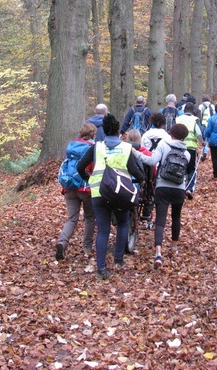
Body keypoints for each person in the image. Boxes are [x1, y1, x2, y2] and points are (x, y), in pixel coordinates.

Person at [77, 114, 145, 280]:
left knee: (103, 230)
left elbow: (80, 167)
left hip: (99, 192)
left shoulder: (96, 147)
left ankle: (101, 268)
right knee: (122, 223)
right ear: (117, 131)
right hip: (120, 192)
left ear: (103, 131)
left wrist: (89, 178)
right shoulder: (126, 148)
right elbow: (137, 172)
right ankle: (118, 260)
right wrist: (141, 179)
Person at [132, 123, 190, 269]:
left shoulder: (163, 146)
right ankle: (174, 247)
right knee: (176, 217)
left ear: (171, 134)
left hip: (163, 187)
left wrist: (135, 152)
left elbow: (151, 161)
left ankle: (158, 252)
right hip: (179, 188)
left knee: (160, 220)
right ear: (184, 137)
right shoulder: (187, 153)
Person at [55, 123, 97, 261]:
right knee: (89, 217)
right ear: (93, 135)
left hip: (69, 186)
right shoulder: (92, 148)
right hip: (86, 188)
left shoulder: (71, 146)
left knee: (72, 218)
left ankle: (62, 242)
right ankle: (87, 247)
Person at [174, 102, 203, 199]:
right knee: (191, 169)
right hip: (191, 148)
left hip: (178, 147)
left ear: (184, 110)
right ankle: (189, 188)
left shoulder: (178, 119)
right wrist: (202, 142)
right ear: (193, 111)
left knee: (179, 167)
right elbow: (199, 133)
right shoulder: (195, 120)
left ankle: (179, 188)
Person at [198, 96, 215, 162]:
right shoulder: (212, 106)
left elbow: (199, 116)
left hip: (203, 124)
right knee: (208, 139)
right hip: (211, 124)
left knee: (204, 139)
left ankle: (203, 152)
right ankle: (206, 151)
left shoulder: (201, 106)